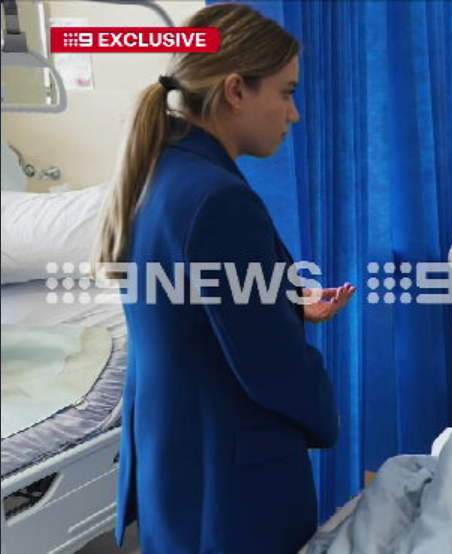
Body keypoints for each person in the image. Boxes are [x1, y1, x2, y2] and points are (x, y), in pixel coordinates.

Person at [93, 5, 353, 553]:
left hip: (176, 458)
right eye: (286, 93)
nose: (294, 114)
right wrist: (326, 407)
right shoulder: (218, 199)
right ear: (235, 89)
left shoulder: (159, 173)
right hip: (228, 482)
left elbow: (187, 308)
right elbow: (271, 369)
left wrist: (282, 302)